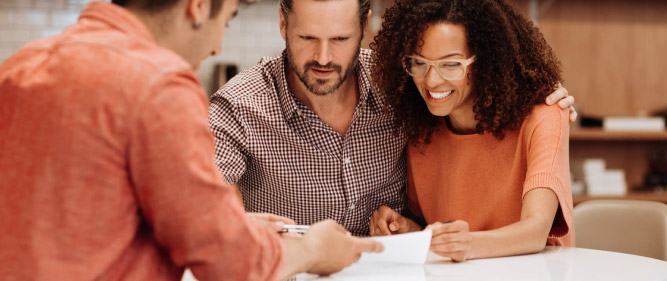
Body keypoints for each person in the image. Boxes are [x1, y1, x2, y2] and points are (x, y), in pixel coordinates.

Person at [0, 0, 381, 281]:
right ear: (198, 7)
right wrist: (314, 249)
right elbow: (228, 262)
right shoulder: (158, 82)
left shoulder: (20, 66)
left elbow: (82, 216)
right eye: (227, 20)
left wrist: (229, 222)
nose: (216, 48)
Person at [208, 0, 577, 237]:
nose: (323, 57)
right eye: (307, 37)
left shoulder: (400, 85)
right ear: (282, 24)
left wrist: (541, 94)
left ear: (365, 24)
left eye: (339, 38)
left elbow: (456, 81)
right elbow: (200, 212)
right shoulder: (240, 106)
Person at [368, 0, 574, 262]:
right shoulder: (422, 131)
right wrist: (410, 231)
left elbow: (535, 231)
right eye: (418, 63)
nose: (431, 81)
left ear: (490, 60)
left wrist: (468, 243)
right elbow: (452, 243)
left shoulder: (544, 116)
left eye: (451, 65)